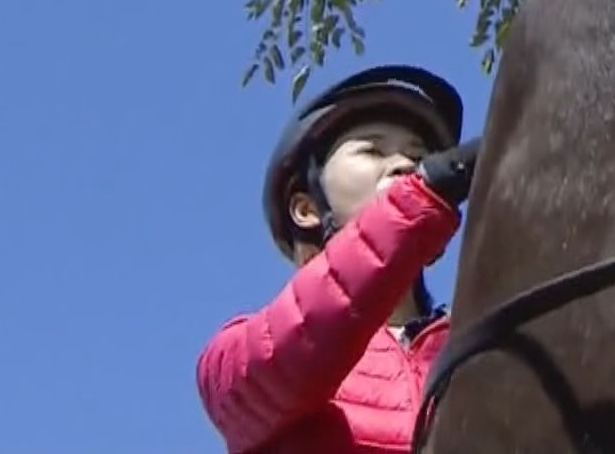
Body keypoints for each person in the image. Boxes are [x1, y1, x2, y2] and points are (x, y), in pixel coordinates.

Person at [196, 64, 480, 453]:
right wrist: (414, 202)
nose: (405, 165)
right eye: (373, 150)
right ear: (307, 208)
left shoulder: (474, 341)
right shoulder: (234, 355)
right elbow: (276, 364)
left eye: (419, 155)